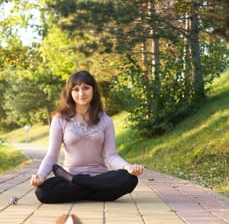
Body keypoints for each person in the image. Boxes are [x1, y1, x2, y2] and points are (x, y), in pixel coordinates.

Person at [30, 70, 144, 203]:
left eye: (86, 88)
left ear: (93, 90)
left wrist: (128, 167)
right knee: (43, 191)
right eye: (76, 89)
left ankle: (76, 183)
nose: (81, 93)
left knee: (129, 178)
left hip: (97, 177)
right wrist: (41, 175)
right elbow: (51, 156)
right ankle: (92, 191)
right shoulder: (60, 119)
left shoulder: (105, 120)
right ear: (70, 92)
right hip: (81, 177)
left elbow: (111, 156)